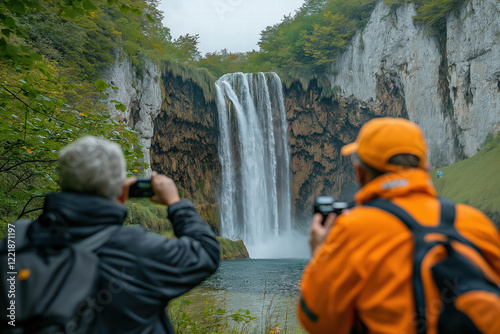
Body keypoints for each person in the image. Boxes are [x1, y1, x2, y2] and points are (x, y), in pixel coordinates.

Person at [297, 118, 500, 333]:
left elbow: (317, 321)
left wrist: (320, 253)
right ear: (425, 167)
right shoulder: (475, 222)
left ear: (359, 172)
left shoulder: (352, 228)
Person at [9, 136, 220, 333]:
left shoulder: (16, 242)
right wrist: (175, 203)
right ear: (121, 189)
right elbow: (207, 252)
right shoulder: (136, 250)